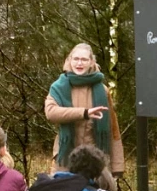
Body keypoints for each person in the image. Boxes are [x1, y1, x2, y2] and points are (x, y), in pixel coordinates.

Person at [44, 43, 124, 179]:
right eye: (76, 59)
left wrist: (117, 165)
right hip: (65, 158)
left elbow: (113, 129)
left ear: (91, 62)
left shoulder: (102, 91)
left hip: (94, 159)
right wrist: (84, 113)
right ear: (69, 60)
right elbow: (51, 113)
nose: (79, 63)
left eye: (84, 59)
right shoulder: (58, 87)